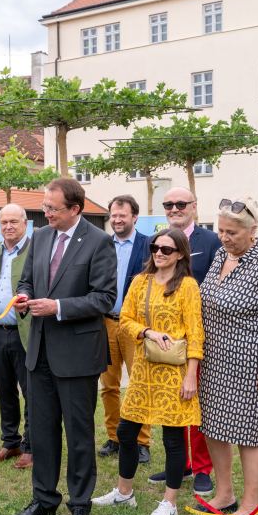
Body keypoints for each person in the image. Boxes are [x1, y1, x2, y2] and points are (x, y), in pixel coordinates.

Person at [10, 178, 116, 515]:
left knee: (79, 434)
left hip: (78, 355)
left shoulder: (99, 242)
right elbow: (26, 280)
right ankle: (44, 499)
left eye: (52, 208)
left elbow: (104, 298)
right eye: (44, 206)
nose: (45, 212)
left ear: (75, 209)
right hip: (39, 352)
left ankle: (80, 506)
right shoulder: (39, 237)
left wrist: (58, 307)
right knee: (41, 431)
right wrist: (24, 297)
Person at [92, 229, 204, 515]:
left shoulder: (188, 287)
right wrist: (147, 332)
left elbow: (195, 333)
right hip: (143, 369)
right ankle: (124, 492)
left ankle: (169, 502)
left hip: (173, 372)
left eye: (167, 250)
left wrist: (191, 375)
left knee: (172, 437)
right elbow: (125, 320)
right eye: (156, 247)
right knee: (127, 432)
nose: (159, 253)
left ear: (180, 254)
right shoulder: (140, 282)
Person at [200, 197, 258, 515]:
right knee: (214, 428)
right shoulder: (221, 255)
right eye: (220, 230)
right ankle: (224, 495)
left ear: (253, 230)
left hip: (249, 362)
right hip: (213, 360)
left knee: (248, 434)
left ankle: (252, 506)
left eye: (232, 232)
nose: (224, 237)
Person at [147, 186, 222, 495]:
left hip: (198, 336)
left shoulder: (212, 241)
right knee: (172, 402)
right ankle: (181, 463)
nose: (174, 208)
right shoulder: (160, 240)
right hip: (164, 340)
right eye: (168, 204)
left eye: (180, 203)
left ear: (194, 206)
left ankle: (202, 467)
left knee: (196, 402)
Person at [99, 196, 152, 463]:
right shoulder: (101, 244)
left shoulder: (149, 246)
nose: (117, 220)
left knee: (138, 384)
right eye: (114, 215)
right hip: (105, 323)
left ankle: (142, 441)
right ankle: (114, 437)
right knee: (108, 386)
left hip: (135, 326)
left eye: (123, 215)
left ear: (135, 217)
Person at [0, 204, 33, 470]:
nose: (8, 226)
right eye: (3, 222)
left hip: (26, 332)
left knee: (31, 390)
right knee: (4, 390)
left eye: (14, 221)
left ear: (25, 223)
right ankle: (10, 441)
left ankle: (30, 447)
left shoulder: (35, 251)